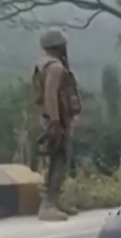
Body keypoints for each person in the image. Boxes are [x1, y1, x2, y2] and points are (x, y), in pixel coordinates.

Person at [31, 28, 82, 221]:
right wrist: (55, 122)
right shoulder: (55, 67)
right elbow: (50, 94)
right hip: (55, 119)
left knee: (59, 159)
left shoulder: (43, 64)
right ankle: (48, 205)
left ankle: (55, 200)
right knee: (57, 159)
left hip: (50, 118)